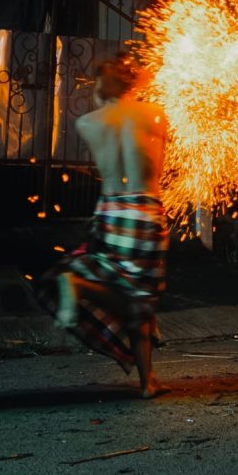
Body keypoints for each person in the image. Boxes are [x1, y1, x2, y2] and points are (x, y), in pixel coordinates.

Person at [39, 53, 170, 399]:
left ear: (102, 88)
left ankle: (148, 381)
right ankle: (77, 284)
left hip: (110, 211)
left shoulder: (89, 122)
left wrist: (107, 95)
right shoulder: (156, 115)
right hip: (145, 210)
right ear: (133, 83)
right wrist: (139, 84)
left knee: (136, 298)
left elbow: (106, 111)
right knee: (139, 298)